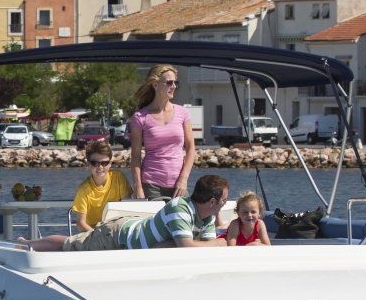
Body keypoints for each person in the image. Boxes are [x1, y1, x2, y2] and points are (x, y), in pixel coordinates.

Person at [30, 174, 229, 251]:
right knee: (71, 244)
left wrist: (171, 244)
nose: (225, 204)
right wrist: (221, 242)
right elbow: (188, 246)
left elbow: (202, 246)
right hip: (118, 235)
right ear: (212, 201)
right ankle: (27, 245)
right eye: (224, 201)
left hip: (133, 237)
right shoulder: (180, 208)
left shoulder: (207, 217)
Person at [128, 64, 196, 200]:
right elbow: (135, 156)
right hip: (151, 184)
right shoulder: (140, 117)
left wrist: (183, 179)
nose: (174, 86)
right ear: (155, 84)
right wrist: (139, 188)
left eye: (175, 82)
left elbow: (191, 149)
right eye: (169, 82)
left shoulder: (183, 113)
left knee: (182, 220)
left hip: (179, 185)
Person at [69, 140, 132, 234]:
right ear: (88, 164)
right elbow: (81, 223)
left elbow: (127, 208)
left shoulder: (119, 178)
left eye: (104, 163)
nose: (100, 167)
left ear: (110, 163)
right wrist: (99, 235)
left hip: (117, 231)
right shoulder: (83, 189)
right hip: (93, 234)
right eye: (95, 163)